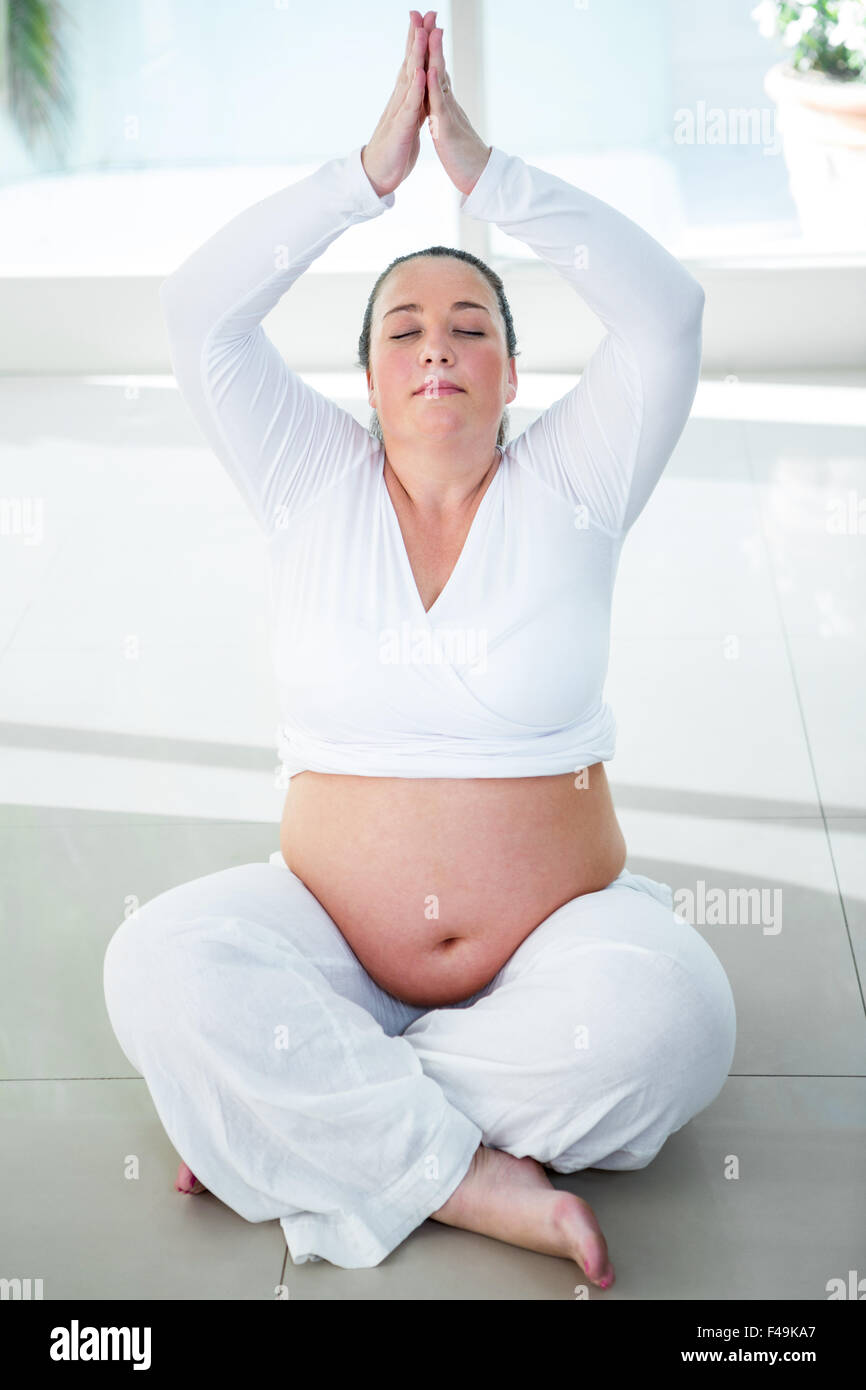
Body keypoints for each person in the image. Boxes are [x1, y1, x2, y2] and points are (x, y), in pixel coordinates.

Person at [103, 11, 735, 1284]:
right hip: (323, 937)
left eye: (470, 326)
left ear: (510, 377)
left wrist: (485, 173)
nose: (436, 342)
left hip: (557, 935)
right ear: (369, 384)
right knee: (155, 960)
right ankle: (462, 1176)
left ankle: (315, 1121)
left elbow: (664, 316)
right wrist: (367, 178)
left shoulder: (576, 481)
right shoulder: (307, 477)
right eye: (401, 329)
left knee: (676, 1026)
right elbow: (197, 312)